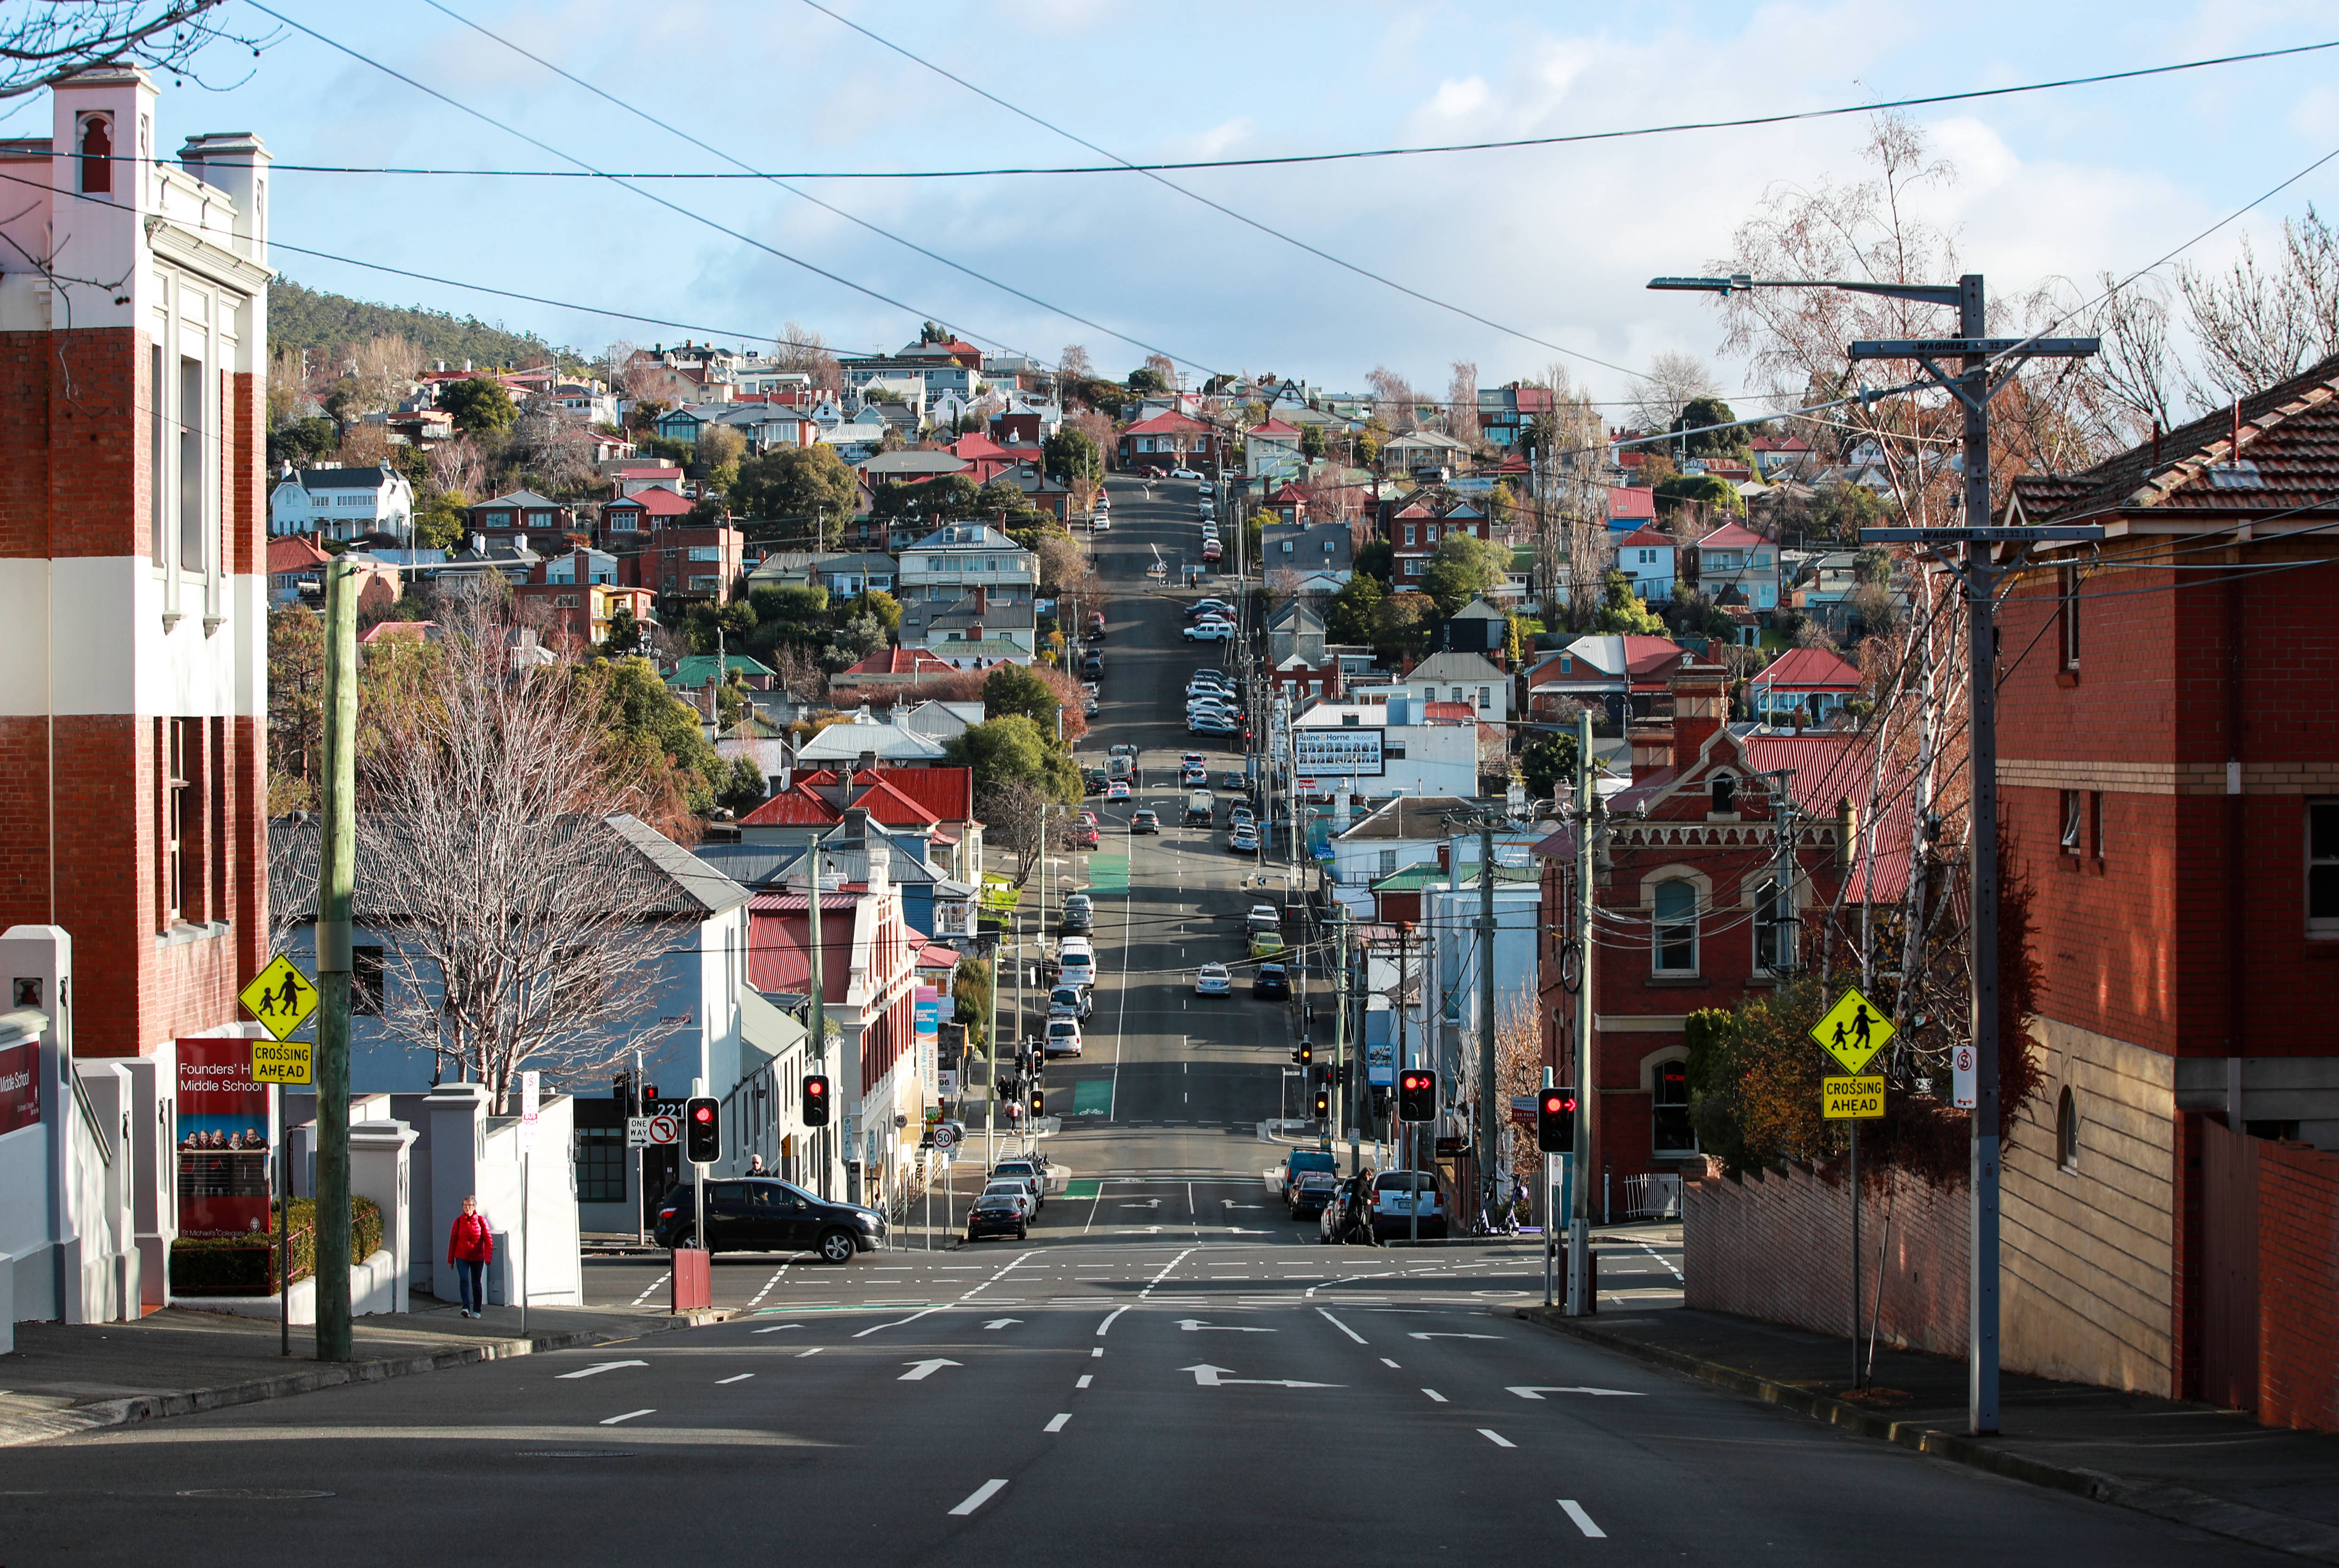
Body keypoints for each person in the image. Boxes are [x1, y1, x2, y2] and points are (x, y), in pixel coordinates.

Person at [447, 1195, 494, 1318]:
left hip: (477, 1257)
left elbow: (488, 1240)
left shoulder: (481, 1221)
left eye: (470, 1205)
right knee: (464, 1280)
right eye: (465, 1205)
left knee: (476, 1283)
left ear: (474, 1207)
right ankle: (466, 1307)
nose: (467, 1208)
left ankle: (477, 1310)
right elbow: (453, 1241)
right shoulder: (458, 1222)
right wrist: (450, 1260)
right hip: (461, 1256)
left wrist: (488, 1258)